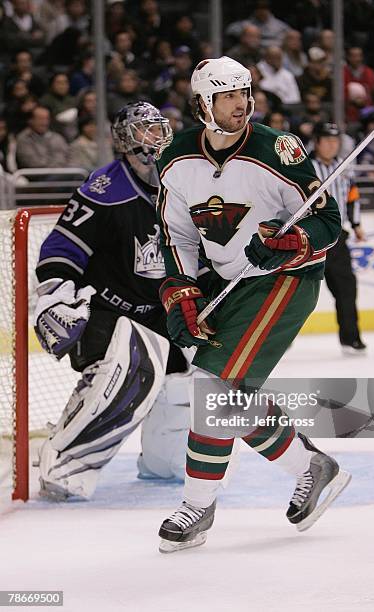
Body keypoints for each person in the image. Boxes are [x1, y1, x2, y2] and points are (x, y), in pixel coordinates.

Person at [155, 56, 350, 553]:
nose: (240, 104)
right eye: (226, 96)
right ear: (203, 105)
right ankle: (310, 467)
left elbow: (329, 226)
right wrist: (181, 290)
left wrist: (290, 242)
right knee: (226, 396)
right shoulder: (176, 159)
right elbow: (177, 234)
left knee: (212, 386)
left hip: (286, 278)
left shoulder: (277, 150)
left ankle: (197, 503)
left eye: (244, 93)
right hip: (230, 282)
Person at [33, 101, 192, 500]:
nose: (155, 137)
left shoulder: (181, 188)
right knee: (132, 367)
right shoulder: (106, 188)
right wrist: (54, 296)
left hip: (158, 313)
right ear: (125, 139)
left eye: (159, 129)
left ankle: (163, 463)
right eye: (145, 130)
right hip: (104, 311)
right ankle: (64, 465)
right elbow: (62, 246)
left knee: (184, 380)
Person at [311, 122, 367, 354]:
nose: (332, 145)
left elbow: (351, 196)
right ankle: (276, 339)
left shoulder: (343, 169)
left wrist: (356, 224)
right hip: (309, 238)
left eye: (336, 141)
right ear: (317, 142)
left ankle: (350, 338)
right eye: (327, 140)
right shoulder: (305, 168)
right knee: (293, 292)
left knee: (347, 289)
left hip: (337, 238)